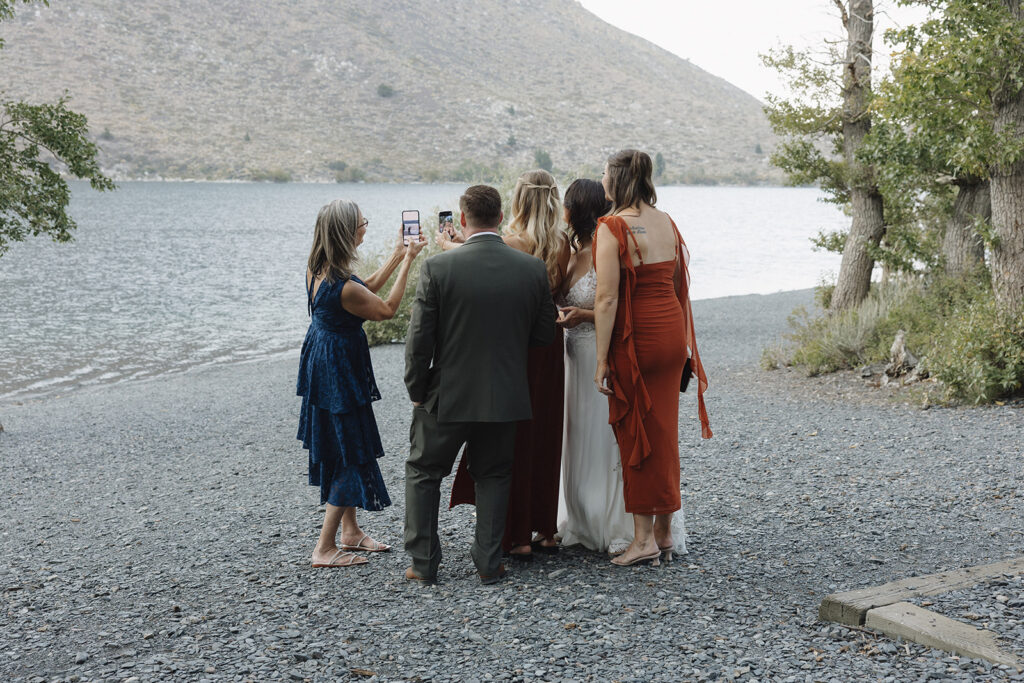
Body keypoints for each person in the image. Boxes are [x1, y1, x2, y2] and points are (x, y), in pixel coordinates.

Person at [404, 184, 557, 584]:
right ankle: (489, 563)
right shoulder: (531, 269)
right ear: (501, 217)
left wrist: (417, 391)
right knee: (494, 475)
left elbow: (419, 341)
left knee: (424, 472)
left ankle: (423, 564)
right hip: (505, 394)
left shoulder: (438, 268)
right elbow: (543, 335)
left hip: (447, 394)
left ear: (463, 219)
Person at [593, 150, 711, 567]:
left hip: (637, 339)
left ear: (617, 180)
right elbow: (678, 282)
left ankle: (642, 540)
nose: (601, 180)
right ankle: (662, 532)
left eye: (604, 173)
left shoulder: (611, 227)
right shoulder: (666, 222)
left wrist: (601, 358)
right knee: (663, 433)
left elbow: (606, 299)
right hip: (669, 334)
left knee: (637, 433)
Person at [444, 169, 570, 561]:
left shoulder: (514, 240)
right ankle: (545, 529)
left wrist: (449, 246)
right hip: (551, 344)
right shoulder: (562, 242)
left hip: (517, 346)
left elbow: (478, 260)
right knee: (546, 432)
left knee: (515, 437)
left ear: (517, 201)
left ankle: (516, 536)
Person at [297, 199, 425, 568]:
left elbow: (364, 286)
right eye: (361, 224)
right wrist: (410, 260)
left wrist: (397, 253)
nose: (365, 227)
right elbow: (384, 309)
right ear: (345, 232)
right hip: (337, 371)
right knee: (351, 449)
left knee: (342, 444)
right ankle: (324, 548)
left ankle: (350, 532)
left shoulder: (319, 268)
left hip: (325, 362)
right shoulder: (341, 286)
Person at [554, 179, 634, 555]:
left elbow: (617, 307)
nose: (562, 210)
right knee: (578, 434)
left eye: (566, 205)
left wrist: (583, 315)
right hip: (572, 355)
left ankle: (616, 522)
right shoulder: (571, 251)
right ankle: (582, 515)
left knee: (605, 438)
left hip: (598, 351)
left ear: (577, 210)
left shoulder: (608, 247)